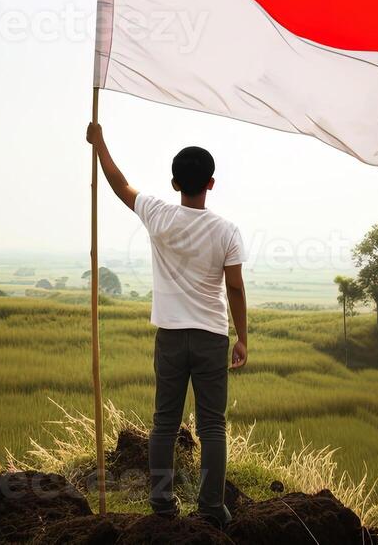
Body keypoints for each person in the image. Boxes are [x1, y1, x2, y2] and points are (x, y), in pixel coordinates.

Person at [86, 122, 248, 529]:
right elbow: (235, 288)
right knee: (212, 426)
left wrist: (100, 142)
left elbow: (119, 183)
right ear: (211, 183)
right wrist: (242, 337)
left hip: (171, 338)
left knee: (164, 422)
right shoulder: (226, 231)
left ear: (174, 182)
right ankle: (211, 506)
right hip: (212, 336)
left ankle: (162, 505)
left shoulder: (158, 214)